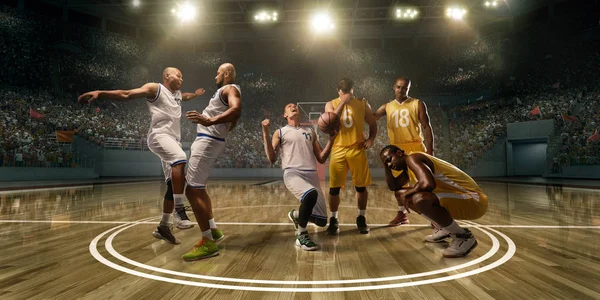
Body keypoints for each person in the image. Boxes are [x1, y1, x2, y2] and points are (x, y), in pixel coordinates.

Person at [78, 67, 204, 244]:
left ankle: (163, 227)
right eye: (179, 75)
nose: (182, 79)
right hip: (159, 136)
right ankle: (179, 211)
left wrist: (196, 95)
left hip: (173, 140)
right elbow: (127, 94)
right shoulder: (155, 88)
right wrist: (101, 92)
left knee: (172, 184)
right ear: (167, 76)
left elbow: (186, 96)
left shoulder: (177, 94)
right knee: (181, 159)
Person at [379, 145, 488, 258]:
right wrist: (386, 166)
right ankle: (444, 227)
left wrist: (408, 193)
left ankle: (463, 237)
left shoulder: (413, 158)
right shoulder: (409, 167)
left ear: (399, 153)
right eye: (386, 163)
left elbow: (428, 184)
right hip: (459, 198)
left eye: (389, 160)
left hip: (473, 199)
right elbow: (393, 186)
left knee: (420, 198)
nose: (389, 165)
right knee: (400, 193)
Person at [182, 63, 241, 261]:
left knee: (191, 189)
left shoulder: (230, 89)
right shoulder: (225, 91)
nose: (215, 76)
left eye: (217, 73)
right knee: (199, 188)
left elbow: (236, 109)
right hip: (211, 140)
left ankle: (207, 242)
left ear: (226, 74)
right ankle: (213, 229)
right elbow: (233, 114)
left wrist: (210, 121)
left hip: (208, 140)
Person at [261, 103, 337, 250]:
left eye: (294, 105)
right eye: (289, 106)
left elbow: (321, 158)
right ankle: (301, 236)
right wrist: (265, 132)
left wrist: (331, 141)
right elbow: (271, 158)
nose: (293, 106)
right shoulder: (280, 132)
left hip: (312, 174)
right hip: (293, 172)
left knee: (321, 221)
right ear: (285, 115)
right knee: (310, 195)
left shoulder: (310, 131)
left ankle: (296, 215)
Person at [374, 76, 435, 226]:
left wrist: (430, 150)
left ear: (408, 89)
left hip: (415, 149)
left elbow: (427, 127)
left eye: (404, 88)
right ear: (394, 87)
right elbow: (370, 118)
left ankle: (436, 217)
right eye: (398, 87)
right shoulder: (387, 106)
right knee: (397, 187)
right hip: (397, 153)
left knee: (426, 185)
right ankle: (402, 215)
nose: (401, 90)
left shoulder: (417, 103)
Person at [324, 78, 377, 235]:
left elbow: (373, 124)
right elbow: (330, 122)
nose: (346, 94)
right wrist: (342, 102)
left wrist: (371, 139)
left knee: (361, 187)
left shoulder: (362, 103)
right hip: (338, 149)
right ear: (338, 91)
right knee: (334, 189)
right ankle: (333, 220)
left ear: (353, 90)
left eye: (349, 92)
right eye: (343, 92)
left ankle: (361, 218)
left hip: (357, 148)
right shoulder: (331, 104)